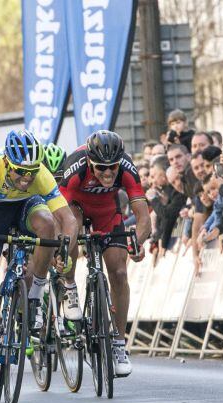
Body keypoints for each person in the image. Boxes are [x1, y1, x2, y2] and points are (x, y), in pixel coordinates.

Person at [0, 129, 77, 391]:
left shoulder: (38, 174)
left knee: (46, 224)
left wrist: (65, 249)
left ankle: (34, 294)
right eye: (20, 171)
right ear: (7, 163)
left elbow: (68, 219)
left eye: (31, 172)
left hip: (24, 207)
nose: (26, 177)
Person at [58, 130, 151, 377]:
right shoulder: (75, 167)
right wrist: (63, 250)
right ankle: (69, 287)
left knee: (119, 273)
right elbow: (61, 214)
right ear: (90, 162)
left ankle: (119, 344)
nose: (108, 173)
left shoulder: (127, 167)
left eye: (112, 167)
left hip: (108, 213)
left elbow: (144, 218)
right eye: (101, 168)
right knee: (71, 233)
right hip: (75, 209)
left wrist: (136, 243)